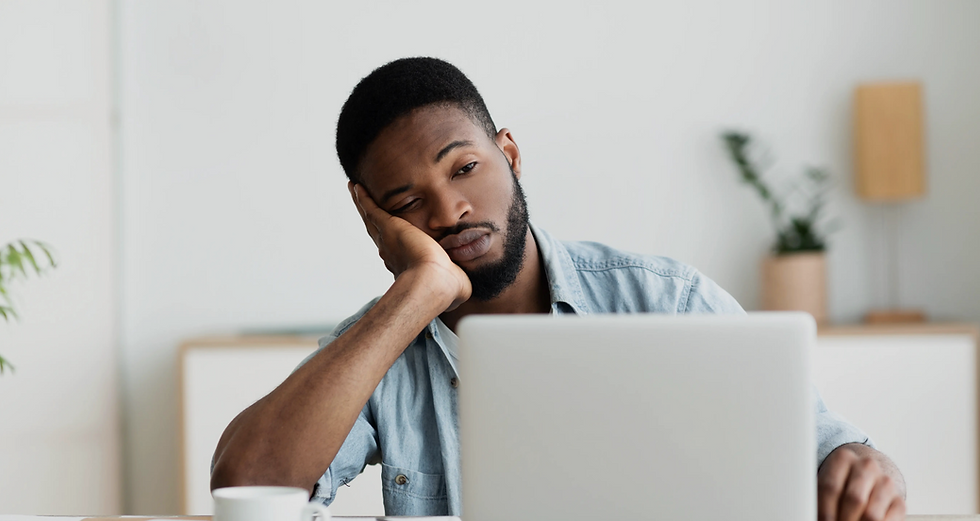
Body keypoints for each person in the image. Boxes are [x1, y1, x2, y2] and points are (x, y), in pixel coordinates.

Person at [211, 57, 906, 520]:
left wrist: (863, 467)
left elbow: (832, 452)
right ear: (374, 216)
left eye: (464, 168)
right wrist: (418, 291)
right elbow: (244, 484)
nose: (451, 210)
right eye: (407, 200)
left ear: (509, 155)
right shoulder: (382, 344)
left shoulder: (667, 301)